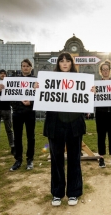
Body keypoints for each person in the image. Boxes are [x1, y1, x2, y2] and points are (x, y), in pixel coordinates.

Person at [40, 52, 93, 207]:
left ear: (71, 63)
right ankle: (57, 193)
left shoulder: (80, 80)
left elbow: (85, 100)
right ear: (58, 64)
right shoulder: (49, 80)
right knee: (56, 160)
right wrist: (38, 88)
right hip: (54, 124)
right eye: (61, 61)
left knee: (74, 159)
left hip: (74, 124)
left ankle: (73, 193)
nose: (64, 63)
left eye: (67, 61)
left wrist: (91, 93)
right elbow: (42, 100)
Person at [9, 59, 36, 171]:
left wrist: (31, 103)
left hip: (30, 112)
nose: (25, 68)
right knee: (17, 137)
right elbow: (9, 95)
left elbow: (40, 96)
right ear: (21, 67)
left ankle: (30, 159)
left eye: (27, 66)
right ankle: (18, 160)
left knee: (31, 137)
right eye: (23, 66)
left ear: (31, 67)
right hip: (17, 112)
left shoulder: (36, 81)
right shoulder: (14, 80)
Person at [95, 60, 111, 168]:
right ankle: (101, 157)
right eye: (103, 69)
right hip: (101, 113)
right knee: (101, 135)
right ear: (101, 71)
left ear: (110, 71)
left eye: (107, 69)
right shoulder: (96, 85)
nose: (105, 71)